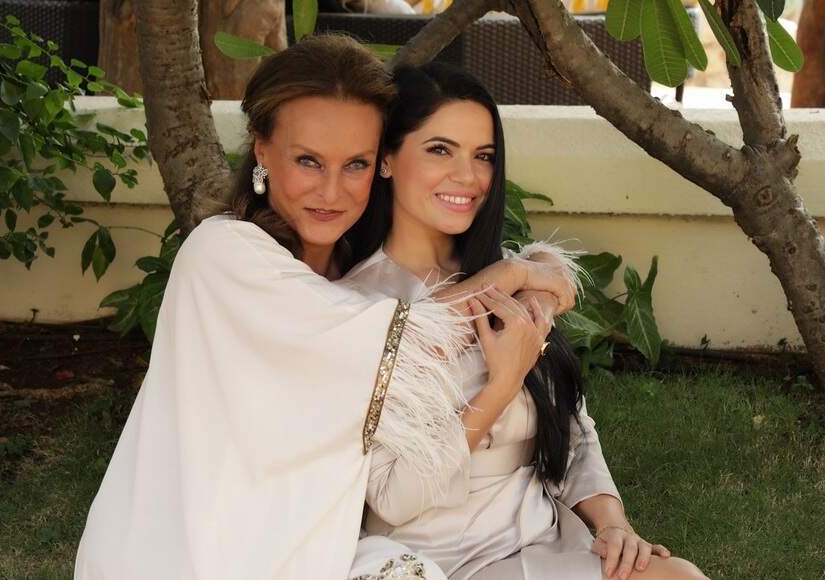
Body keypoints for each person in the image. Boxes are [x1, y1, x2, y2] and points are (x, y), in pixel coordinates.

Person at [74, 36, 577, 579]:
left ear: (381, 165)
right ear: (261, 150)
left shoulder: (351, 268)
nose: (332, 191)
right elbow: (411, 345)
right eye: (308, 161)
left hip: (317, 537)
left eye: (355, 164)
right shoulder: (224, 252)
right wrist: (519, 273)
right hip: (204, 542)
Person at [343, 63, 708, 580]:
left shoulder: (515, 282)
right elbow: (394, 500)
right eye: (440, 150)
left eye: (483, 156)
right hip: (436, 557)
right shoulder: (362, 306)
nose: (467, 177)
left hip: (540, 535)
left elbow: (572, 426)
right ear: (386, 159)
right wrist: (503, 382)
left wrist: (612, 524)